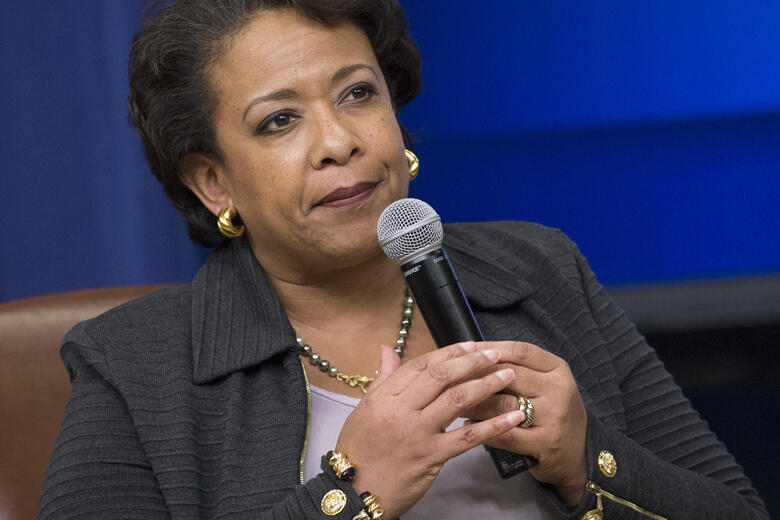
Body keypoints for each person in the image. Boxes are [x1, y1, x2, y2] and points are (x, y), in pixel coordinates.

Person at [38, 1, 768, 519]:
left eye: (357, 93)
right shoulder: (133, 364)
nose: (338, 141)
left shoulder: (538, 268)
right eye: (279, 120)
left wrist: (588, 459)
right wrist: (352, 493)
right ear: (214, 181)